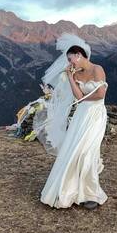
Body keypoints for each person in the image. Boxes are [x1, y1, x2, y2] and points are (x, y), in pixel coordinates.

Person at [38, 33, 109, 210]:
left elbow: (100, 95)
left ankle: (90, 193)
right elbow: (78, 96)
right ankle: (74, 190)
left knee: (88, 152)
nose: (70, 64)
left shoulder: (97, 69)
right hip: (81, 116)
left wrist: (83, 97)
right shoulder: (76, 74)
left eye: (71, 60)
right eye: (69, 61)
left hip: (96, 115)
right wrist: (70, 77)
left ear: (79, 55)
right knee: (75, 152)